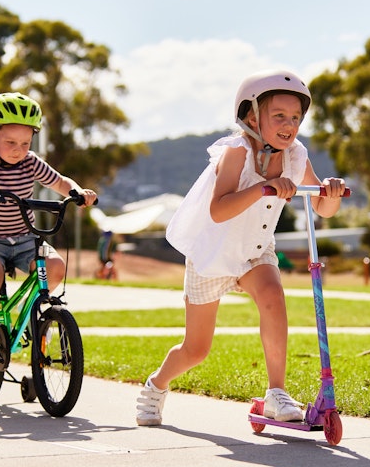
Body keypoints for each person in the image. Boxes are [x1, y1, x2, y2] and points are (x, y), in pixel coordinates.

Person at [136, 69, 346, 426]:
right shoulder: (236, 152)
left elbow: (321, 207)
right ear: (252, 117)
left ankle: (276, 393)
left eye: (295, 117)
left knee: (273, 297)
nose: (288, 125)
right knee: (196, 349)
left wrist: (331, 192)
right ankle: (156, 386)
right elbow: (219, 209)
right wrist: (264, 188)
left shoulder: (295, 156)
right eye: (278, 115)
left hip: (255, 252)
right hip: (212, 254)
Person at [0, 92, 97, 362]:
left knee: (55, 268)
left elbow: (60, 182)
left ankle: (35, 319)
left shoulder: (30, 162)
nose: (18, 149)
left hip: (24, 237)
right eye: (9, 142)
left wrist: (78, 191)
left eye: (25, 142)